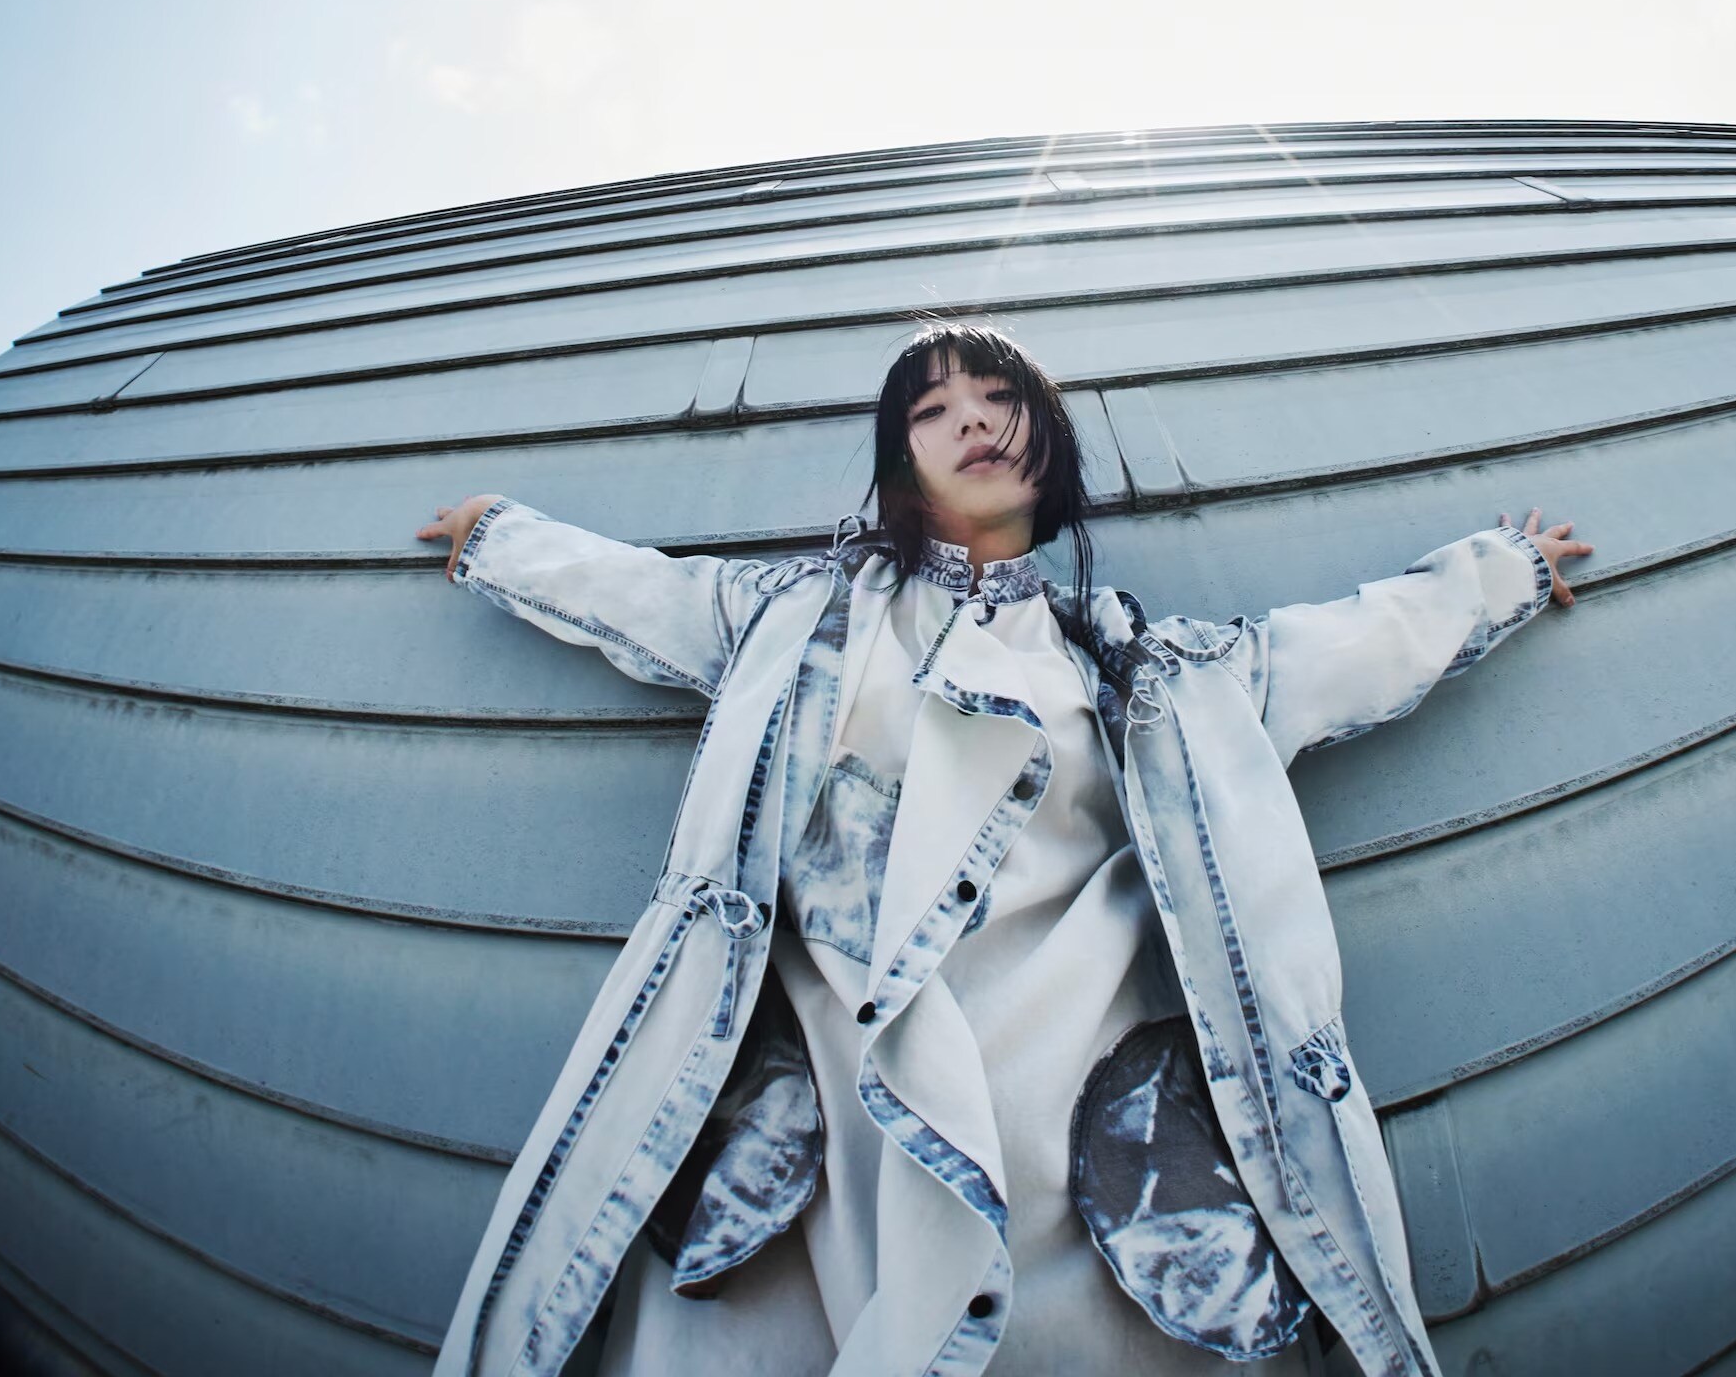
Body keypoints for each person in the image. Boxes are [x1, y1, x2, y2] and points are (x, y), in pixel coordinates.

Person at [417, 320, 1589, 1377]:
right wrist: (495, 539)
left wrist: (1502, 571)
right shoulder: (798, 620)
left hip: (1074, 1116)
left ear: (1046, 440)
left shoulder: (1142, 674)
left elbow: (1329, 651)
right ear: (900, 466)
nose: (971, 420)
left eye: (996, 395)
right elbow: (645, 596)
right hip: (839, 1117)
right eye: (932, 409)